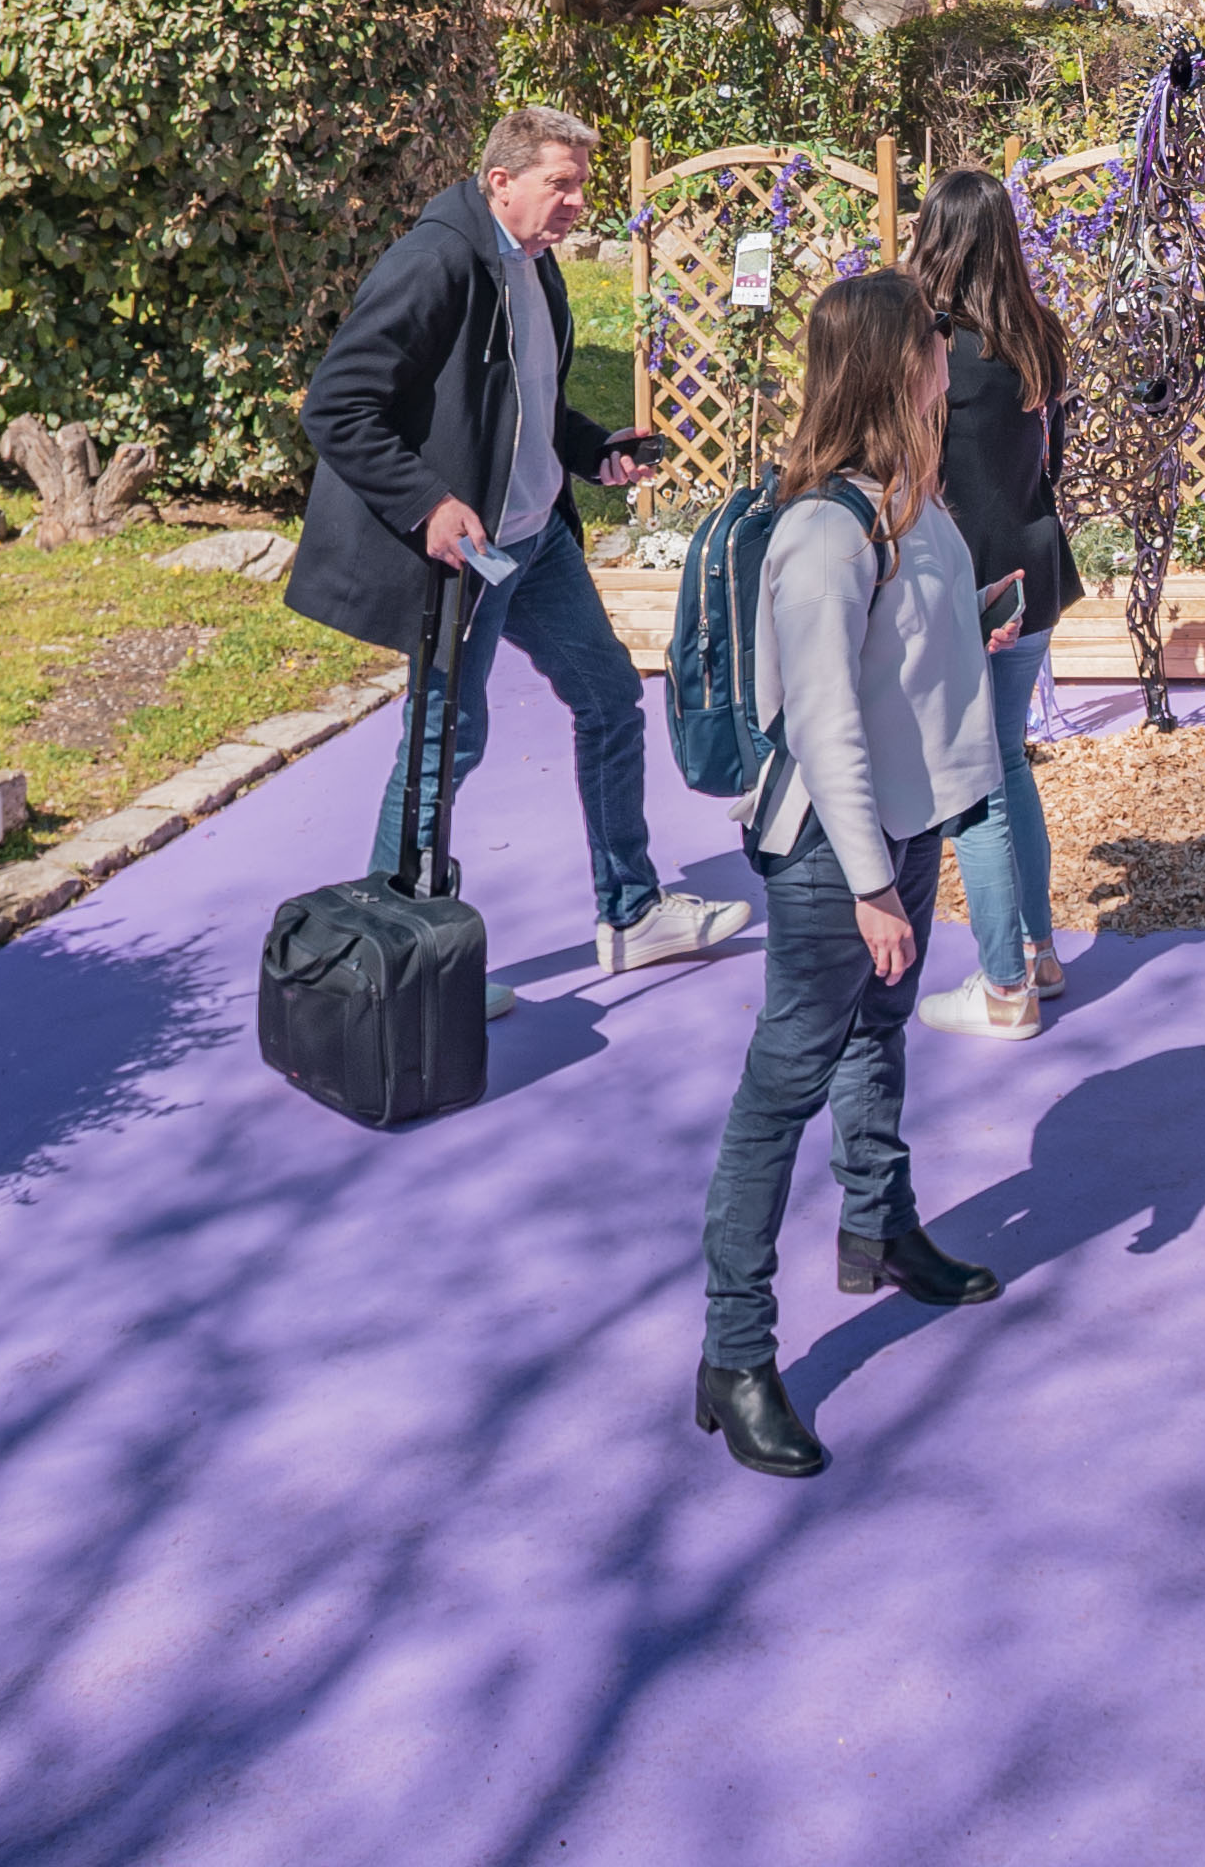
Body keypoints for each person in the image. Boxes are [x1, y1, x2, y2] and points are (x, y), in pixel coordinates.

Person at [287, 105, 740, 1004]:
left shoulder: (534, 262)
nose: (576, 203)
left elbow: (522, 402)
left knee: (610, 700)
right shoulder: (437, 261)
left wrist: (591, 449)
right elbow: (336, 405)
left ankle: (631, 914)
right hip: (469, 554)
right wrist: (427, 503)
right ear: (501, 181)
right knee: (443, 745)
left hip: (537, 543)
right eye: (559, 184)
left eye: (581, 186)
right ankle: (402, 963)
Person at [694, 267, 1012, 1480]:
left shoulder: (908, 502)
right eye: (935, 341)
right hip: (840, 850)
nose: (949, 357)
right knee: (783, 1083)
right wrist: (873, 884)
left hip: (902, 828)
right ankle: (735, 1354)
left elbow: (895, 668)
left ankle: (879, 1226)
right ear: (892, 365)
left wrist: (967, 617)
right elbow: (823, 723)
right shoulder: (826, 531)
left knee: (879, 1031)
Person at [914, 172, 1080, 1044]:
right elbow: (1052, 459)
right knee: (1007, 762)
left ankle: (1005, 984)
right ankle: (1038, 949)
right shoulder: (1038, 334)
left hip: (966, 584)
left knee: (975, 782)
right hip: (1034, 565)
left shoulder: (935, 346)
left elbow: (914, 470)